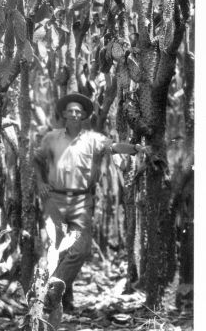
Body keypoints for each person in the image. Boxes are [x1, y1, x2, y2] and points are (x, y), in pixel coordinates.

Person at [33, 92, 142, 319]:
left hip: (82, 200)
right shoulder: (51, 138)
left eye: (78, 111)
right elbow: (35, 159)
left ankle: (53, 290)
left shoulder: (93, 139)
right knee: (59, 250)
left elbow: (114, 147)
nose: (74, 114)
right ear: (63, 114)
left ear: (83, 116)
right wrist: (41, 182)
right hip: (55, 199)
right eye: (70, 110)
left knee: (81, 249)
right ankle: (62, 301)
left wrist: (136, 149)